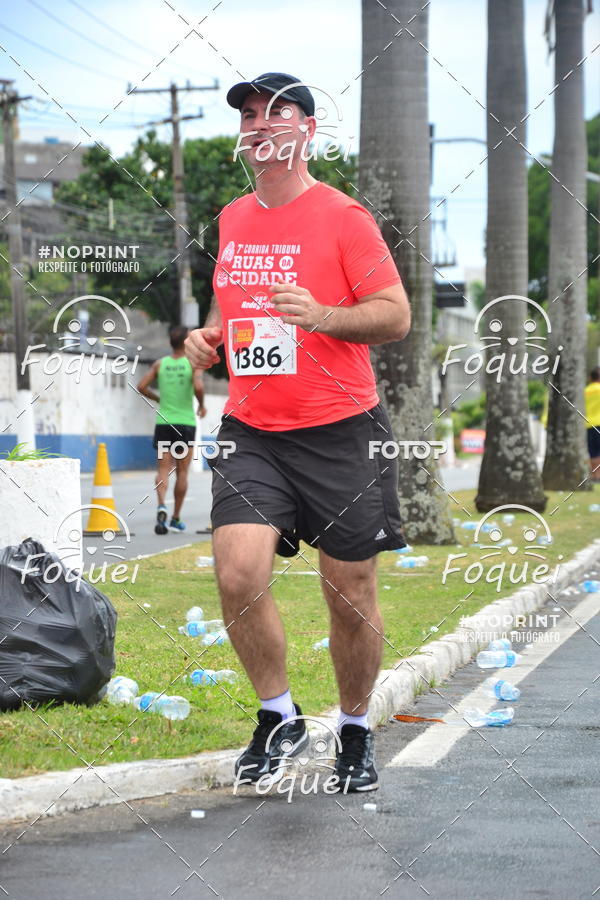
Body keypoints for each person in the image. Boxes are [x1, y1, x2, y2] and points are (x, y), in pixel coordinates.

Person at [185, 73, 410, 792]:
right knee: (237, 572)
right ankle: (279, 715)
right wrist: (209, 339)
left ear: (307, 130)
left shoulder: (344, 217)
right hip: (253, 429)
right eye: (249, 115)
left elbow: (394, 315)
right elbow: (242, 317)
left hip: (342, 429)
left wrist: (323, 316)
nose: (258, 125)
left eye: (275, 113)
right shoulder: (230, 218)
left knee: (350, 590)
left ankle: (352, 727)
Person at [138, 325, 206, 534]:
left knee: (162, 470)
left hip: (164, 423)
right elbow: (198, 387)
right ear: (186, 342)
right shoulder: (192, 364)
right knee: (182, 472)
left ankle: (161, 505)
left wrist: (159, 399)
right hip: (185, 424)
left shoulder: (160, 364)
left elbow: (141, 386)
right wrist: (201, 404)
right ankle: (176, 517)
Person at [584, 367, 600, 482]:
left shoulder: (585, 391)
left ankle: (595, 476)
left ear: (590, 378)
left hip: (589, 425)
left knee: (592, 451)